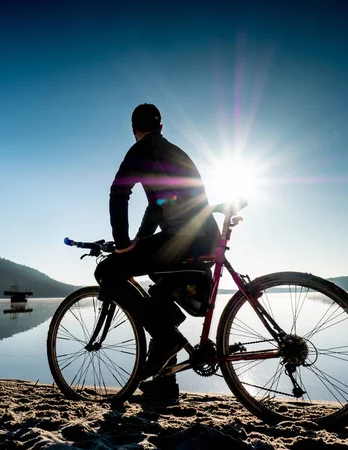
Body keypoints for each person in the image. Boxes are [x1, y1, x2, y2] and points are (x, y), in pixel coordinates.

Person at [94, 103, 220, 401]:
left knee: (107, 271)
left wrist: (122, 242)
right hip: (204, 239)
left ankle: (164, 341)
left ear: (135, 130)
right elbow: (159, 206)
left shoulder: (142, 149)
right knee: (159, 296)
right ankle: (165, 386)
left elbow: (118, 192)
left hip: (183, 239)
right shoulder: (173, 152)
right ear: (161, 127)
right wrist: (138, 241)